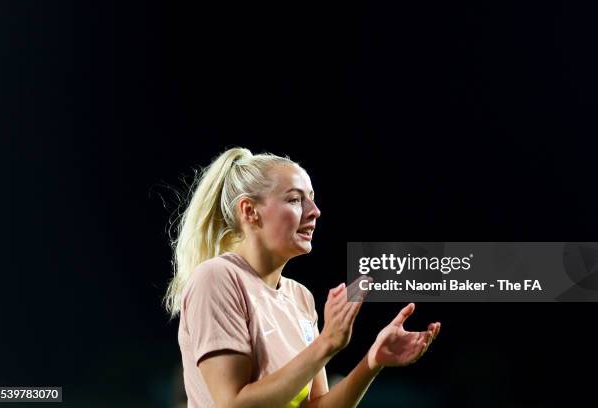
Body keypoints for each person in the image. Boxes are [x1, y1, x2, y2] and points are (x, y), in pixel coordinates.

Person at [163, 147, 441, 408]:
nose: (314, 211)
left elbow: (316, 405)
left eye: (312, 199)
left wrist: (372, 361)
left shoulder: (300, 297)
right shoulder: (217, 278)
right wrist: (326, 344)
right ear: (250, 211)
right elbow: (232, 403)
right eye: (295, 199)